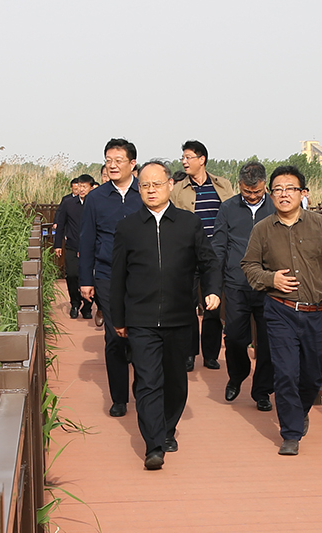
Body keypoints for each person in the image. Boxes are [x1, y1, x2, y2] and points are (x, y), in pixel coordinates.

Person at [111, 160, 221, 470]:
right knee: (147, 381)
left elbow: (209, 262)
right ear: (139, 188)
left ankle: (168, 428)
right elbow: (117, 276)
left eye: (157, 184)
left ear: (170, 185)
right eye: (145, 185)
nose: (151, 190)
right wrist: (118, 318)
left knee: (175, 382)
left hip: (179, 317)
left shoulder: (188, 224)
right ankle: (154, 445)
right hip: (141, 319)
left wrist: (213, 290)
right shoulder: (128, 227)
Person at [240, 165, 322, 456]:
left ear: (303, 193)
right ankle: (290, 434)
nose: (284, 194)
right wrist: (271, 279)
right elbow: (249, 266)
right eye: (278, 189)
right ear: (270, 195)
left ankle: (299, 411)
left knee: (312, 375)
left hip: (316, 312)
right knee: (286, 373)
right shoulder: (262, 229)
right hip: (280, 310)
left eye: (290, 189)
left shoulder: (320, 225)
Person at [79, 138, 142, 418]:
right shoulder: (96, 198)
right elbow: (87, 240)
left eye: (118, 160)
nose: (112, 165)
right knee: (115, 337)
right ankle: (119, 398)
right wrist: (86, 280)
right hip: (107, 275)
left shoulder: (145, 192)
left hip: (142, 275)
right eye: (108, 160)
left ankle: (143, 388)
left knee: (141, 335)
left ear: (132, 163)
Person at [212, 161, 275, 411]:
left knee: (268, 341)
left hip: (269, 285)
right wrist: (214, 283)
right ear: (239, 185)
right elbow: (219, 246)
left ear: (265, 185)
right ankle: (237, 376)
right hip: (236, 283)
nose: (252, 196)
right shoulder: (228, 208)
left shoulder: (275, 207)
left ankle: (262, 391)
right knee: (235, 337)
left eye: (256, 191)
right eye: (247, 191)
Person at [170, 140, 234, 371]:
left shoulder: (223, 186)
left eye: (188, 157)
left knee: (213, 306)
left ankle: (210, 354)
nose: (184, 162)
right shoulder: (178, 190)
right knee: (187, 306)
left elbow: (232, 218)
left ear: (202, 159)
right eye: (183, 157)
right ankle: (189, 353)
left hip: (214, 256)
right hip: (187, 255)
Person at [54, 174, 95, 319]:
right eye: (79, 186)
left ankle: (87, 307)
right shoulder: (69, 203)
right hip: (72, 245)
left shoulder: (96, 204)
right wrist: (57, 245)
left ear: (91, 188)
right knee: (72, 275)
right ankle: (75, 303)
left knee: (91, 277)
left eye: (84, 187)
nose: (81, 189)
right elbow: (60, 225)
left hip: (91, 248)